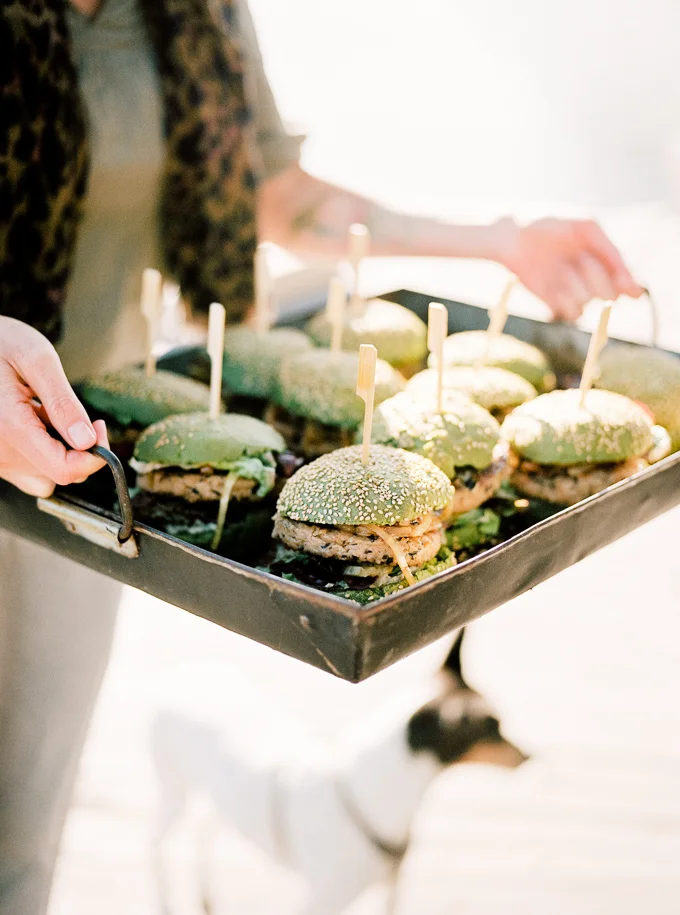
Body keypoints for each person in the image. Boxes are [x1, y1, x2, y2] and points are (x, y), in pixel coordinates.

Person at [0, 2, 643, 913]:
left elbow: (284, 198)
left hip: (95, 474)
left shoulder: (196, 11)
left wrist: (495, 240)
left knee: (24, 817)